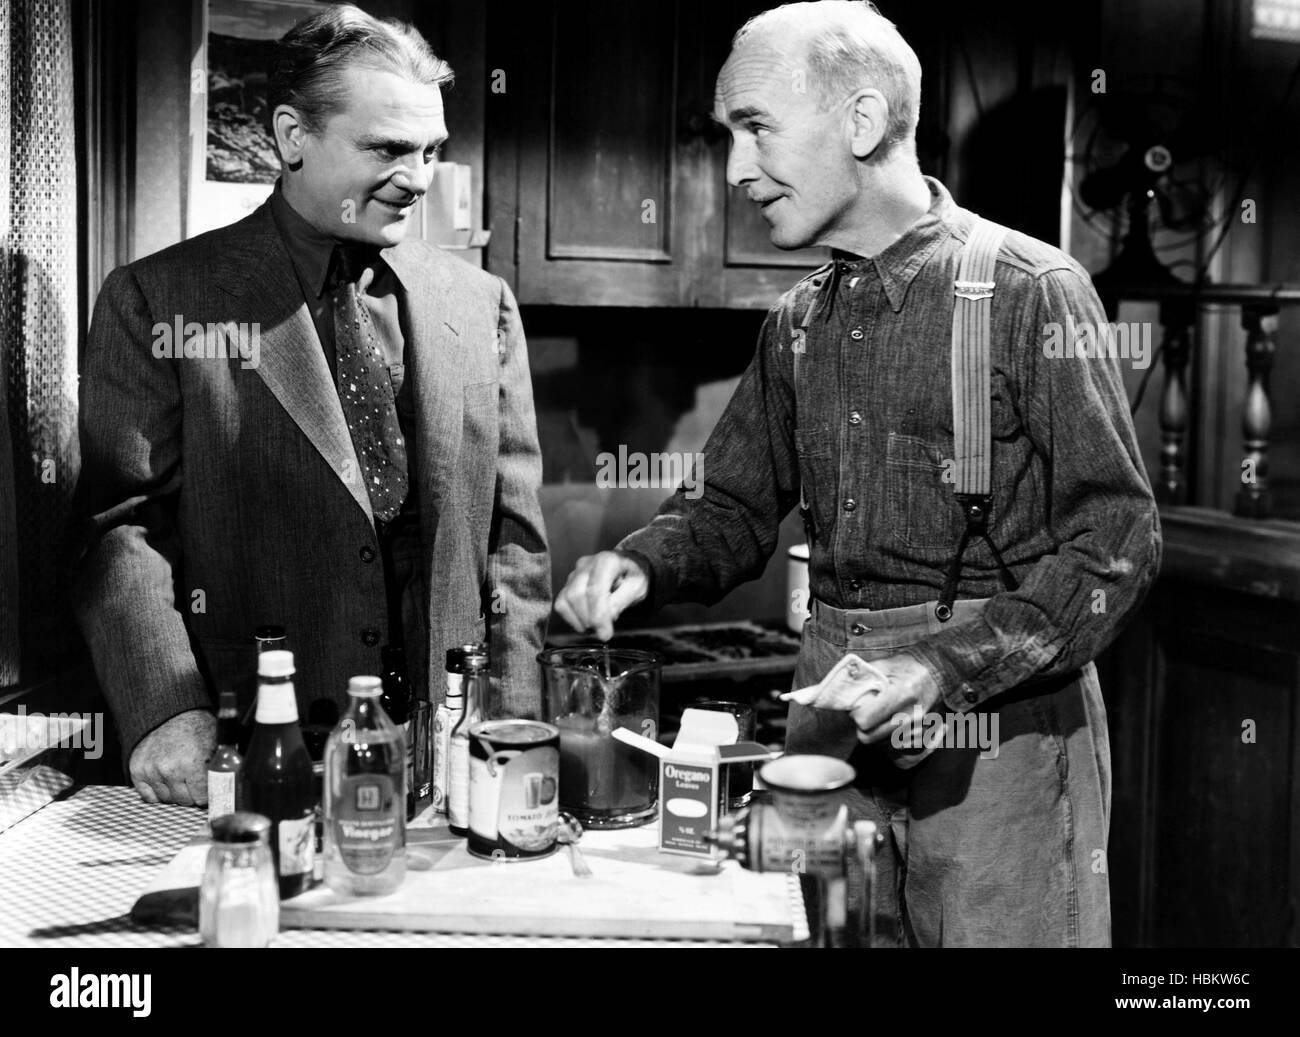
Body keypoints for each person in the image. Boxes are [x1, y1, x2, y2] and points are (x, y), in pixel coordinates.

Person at [555, 0, 1160, 947]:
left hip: (997, 735)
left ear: (863, 122)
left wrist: (937, 666)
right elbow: (731, 505)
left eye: (755, 129)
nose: (734, 170)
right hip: (832, 719)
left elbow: (1116, 543)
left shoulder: (1031, 293)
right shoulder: (796, 323)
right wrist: (643, 564)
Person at [73, 5, 549, 806]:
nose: (419, 177)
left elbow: (514, 541)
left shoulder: (481, 303)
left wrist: (515, 727)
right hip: (253, 748)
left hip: (451, 758)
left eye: (432, 150)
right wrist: (165, 709)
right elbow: (122, 528)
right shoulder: (158, 299)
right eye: (388, 148)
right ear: (293, 137)